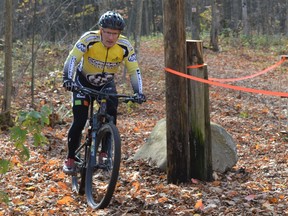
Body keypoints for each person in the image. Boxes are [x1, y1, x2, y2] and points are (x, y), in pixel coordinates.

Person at [62, 11, 146, 174]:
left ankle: (104, 153)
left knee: (111, 116)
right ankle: (71, 158)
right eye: (107, 32)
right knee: (79, 120)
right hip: (82, 82)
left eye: (114, 34)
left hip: (105, 85)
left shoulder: (125, 46)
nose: (110, 37)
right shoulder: (89, 39)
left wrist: (138, 92)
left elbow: (134, 70)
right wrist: (67, 79)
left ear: (119, 34)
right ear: (101, 30)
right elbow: (73, 58)